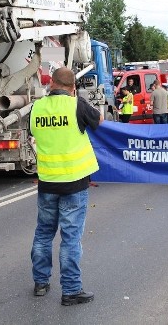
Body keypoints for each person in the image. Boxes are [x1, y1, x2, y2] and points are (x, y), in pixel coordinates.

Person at [29, 67, 103, 306]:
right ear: (73, 88)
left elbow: (34, 133)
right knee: (70, 238)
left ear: (51, 84)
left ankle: (41, 282)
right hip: (74, 183)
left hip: (48, 183)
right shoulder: (76, 105)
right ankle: (71, 290)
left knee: (43, 233)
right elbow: (99, 121)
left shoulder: (37, 108)